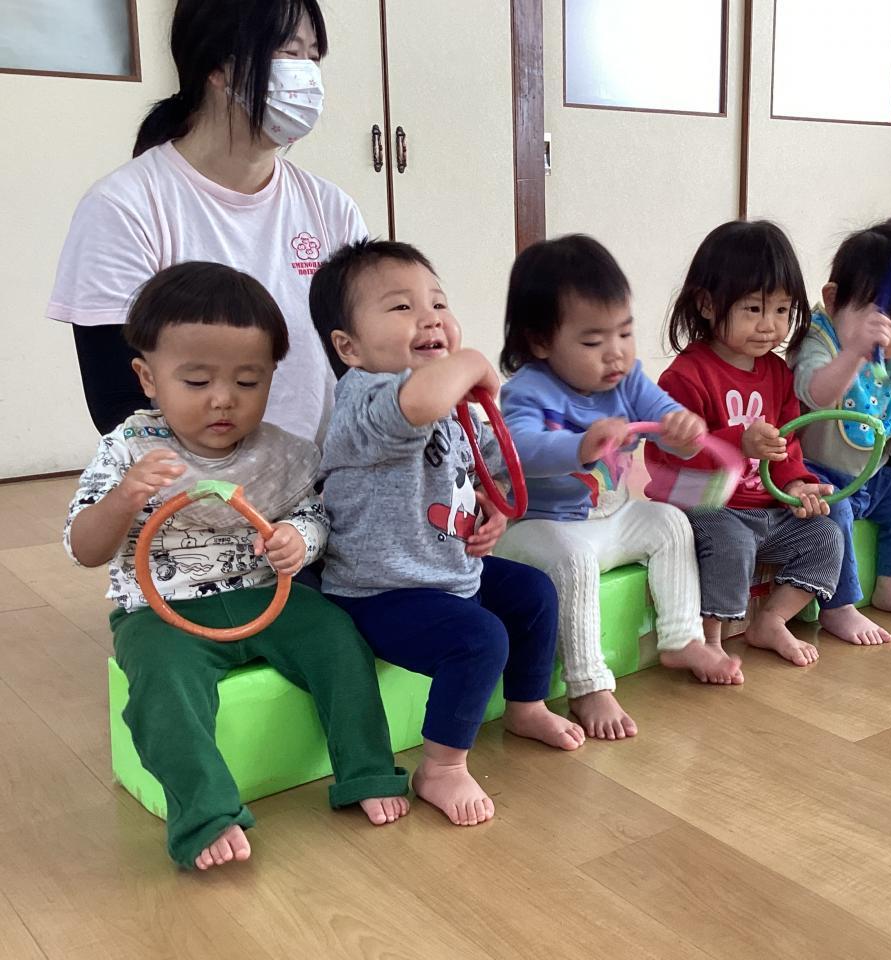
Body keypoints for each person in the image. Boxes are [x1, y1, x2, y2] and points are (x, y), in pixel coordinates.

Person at [64, 262, 408, 871]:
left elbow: (314, 514)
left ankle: (367, 768)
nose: (223, 399)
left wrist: (299, 539)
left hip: (265, 595)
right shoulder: (127, 449)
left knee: (338, 640)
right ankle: (204, 813)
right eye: (196, 380)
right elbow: (84, 547)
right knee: (162, 687)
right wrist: (124, 499)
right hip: (162, 613)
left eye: (249, 381)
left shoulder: (280, 453)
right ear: (148, 378)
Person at [310, 240, 585, 828]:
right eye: (402, 307)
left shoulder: (454, 401)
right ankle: (441, 765)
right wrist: (474, 361)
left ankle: (526, 703)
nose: (431, 318)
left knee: (534, 592)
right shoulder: (363, 397)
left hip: (449, 569)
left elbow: (495, 465)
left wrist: (498, 507)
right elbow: (420, 402)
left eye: (438, 303)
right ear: (349, 347)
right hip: (380, 591)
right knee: (479, 639)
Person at [48, 0, 364, 441]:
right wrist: (222, 479)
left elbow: (370, 362)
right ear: (217, 66)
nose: (307, 76)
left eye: (313, 57)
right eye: (289, 53)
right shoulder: (123, 207)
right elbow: (119, 405)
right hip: (196, 480)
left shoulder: (331, 207)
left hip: (324, 477)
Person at [495, 235, 743, 742]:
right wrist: (580, 446)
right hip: (540, 526)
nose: (616, 353)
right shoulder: (526, 390)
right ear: (540, 342)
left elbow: (663, 416)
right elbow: (518, 450)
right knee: (573, 562)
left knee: (670, 522)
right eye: (593, 342)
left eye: (625, 333)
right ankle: (587, 685)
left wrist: (684, 427)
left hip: (611, 517)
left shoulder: (628, 380)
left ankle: (681, 638)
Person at [648, 220, 842, 667]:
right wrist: (737, 442)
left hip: (766, 508)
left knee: (826, 535)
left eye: (782, 309)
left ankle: (771, 621)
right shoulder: (686, 376)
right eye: (754, 308)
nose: (769, 326)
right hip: (706, 505)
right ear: (707, 304)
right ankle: (710, 639)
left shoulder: (778, 373)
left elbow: (787, 446)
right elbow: (664, 455)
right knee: (731, 540)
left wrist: (796, 485)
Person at [790, 224, 891, 635]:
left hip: (871, 474)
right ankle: (838, 606)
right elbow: (815, 394)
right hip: (815, 471)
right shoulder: (818, 339)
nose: (889, 338)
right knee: (833, 514)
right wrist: (855, 353)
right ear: (833, 299)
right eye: (878, 322)